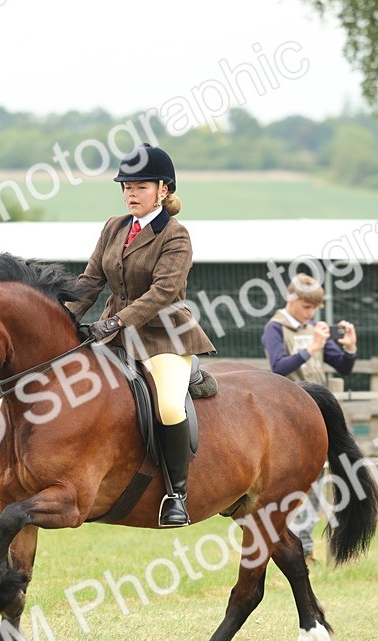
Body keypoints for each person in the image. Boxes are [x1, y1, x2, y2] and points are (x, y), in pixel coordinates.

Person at [66, 143, 215, 527]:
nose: (131, 194)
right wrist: (67, 316)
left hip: (164, 335)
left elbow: (163, 293)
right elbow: (90, 281)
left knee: (167, 405)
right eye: (126, 187)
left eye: (140, 187)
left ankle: (176, 494)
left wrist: (115, 322)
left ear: (163, 190)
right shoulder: (114, 227)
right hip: (114, 335)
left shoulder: (176, 236)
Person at [262, 273, 359, 564]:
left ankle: (303, 545)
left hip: (318, 412)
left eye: (315, 308)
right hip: (290, 414)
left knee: (316, 482)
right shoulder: (275, 328)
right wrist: (311, 349)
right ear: (292, 300)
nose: (312, 313)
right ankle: (297, 546)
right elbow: (278, 367)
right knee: (295, 482)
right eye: (307, 307)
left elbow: (342, 366)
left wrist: (350, 348)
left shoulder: (312, 328)